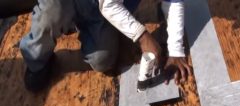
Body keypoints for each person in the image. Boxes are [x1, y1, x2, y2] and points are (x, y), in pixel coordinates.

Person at [20, 0, 192, 92]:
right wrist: (142, 36)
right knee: (51, 15)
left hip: (100, 8)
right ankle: (38, 61)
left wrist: (176, 51)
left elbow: (174, 1)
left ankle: (78, 23)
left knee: (102, 61)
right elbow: (108, 4)